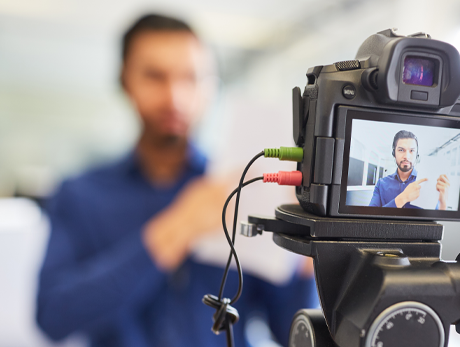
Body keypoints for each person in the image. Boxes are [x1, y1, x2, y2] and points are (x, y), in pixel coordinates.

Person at [36, 14, 317, 347]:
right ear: (125, 80)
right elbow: (53, 317)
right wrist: (179, 227)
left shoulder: (244, 188)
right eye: (155, 76)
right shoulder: (80, 195)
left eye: (192, 78)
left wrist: (307, 264)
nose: (174, 97)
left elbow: (288, 331)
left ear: (212, 86)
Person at [368, 130, 450, 209]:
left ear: (416, 155)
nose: (406, 156)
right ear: (394, 153)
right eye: (401, 150)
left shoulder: (428, 183)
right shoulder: (381, 184)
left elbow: (433, 219)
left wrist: (443, 204)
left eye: (412, 151)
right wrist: (403, 198)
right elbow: (370, 217)